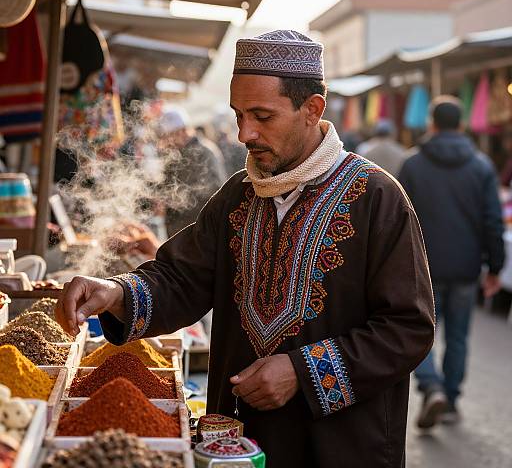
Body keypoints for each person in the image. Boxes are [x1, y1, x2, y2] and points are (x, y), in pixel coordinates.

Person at [57, 30, 434, 468]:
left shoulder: (377, 197)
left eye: (262, 115)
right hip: (237, 442)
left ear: (312, 109)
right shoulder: (239, 193)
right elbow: (183, 277)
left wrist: (302, 371)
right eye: (238, 114)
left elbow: (408, 328)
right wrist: (116, 292)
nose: (244, 133)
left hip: (341, 445)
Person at [398, 96, 505, 429]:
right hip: (466, 266)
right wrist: (496, 266)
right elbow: (493, 220)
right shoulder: (482, 166)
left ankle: (432, 388)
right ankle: (451, 400)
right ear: (460, 125)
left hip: (422, 267)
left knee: (419, 334)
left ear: (432, 123)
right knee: (458, 337)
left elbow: (397, 221)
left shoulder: (412, 165)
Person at [157, 106, 227, 236]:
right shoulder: (174, 155)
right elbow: (166, 185)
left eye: (168, 136)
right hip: (178, 232)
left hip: (198, 233)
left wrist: (174, 199)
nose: (165, 141)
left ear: (182, 131)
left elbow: (215, 193)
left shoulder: (205, 152)